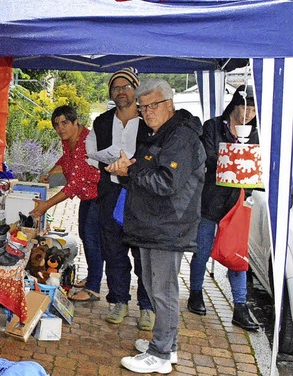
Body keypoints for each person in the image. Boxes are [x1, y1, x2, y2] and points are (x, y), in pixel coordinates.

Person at [107, 78, 205, 374]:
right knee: (152, 286)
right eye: (143, 106)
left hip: (169, 225)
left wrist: (131, 169)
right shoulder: (157, 134)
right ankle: (168, 345)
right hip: (152, 223)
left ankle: (161, 353)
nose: (148, 111)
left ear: (170, 104)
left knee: (162, 290)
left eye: (154, 105)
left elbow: (166, 183)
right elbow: (146, 176)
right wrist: (125, 172)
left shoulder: (181, 137)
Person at [85, 67, 154, 330]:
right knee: (113, 250)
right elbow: (92, 152)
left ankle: (147, 307)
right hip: (112, 193)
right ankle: (119, 301)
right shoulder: (102, 122)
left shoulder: (149, 121)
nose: (121, 92)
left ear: (136, 90)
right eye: (116, 88)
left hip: (140, 196)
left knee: (142, 254)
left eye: (126, 87)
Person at [187, 85, 260, 331]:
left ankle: (240, 306)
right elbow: (206, 157)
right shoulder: (213, 126)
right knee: (202, 248)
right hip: (210, 199)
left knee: (236, 254)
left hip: (237, 202)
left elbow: (257, 165)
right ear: (234, 105)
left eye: (252, 109)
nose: (247, 113)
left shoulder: (256, 132)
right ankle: (195, 292)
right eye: (243, 107)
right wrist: (233, 157)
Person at [30, 105, 102, 302]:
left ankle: (94, 288)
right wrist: (51, 172)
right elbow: (65, 159)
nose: (60, 128)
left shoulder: (85, 143)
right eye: (56, 125)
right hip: (88, 196)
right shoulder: (69, 140)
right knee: (87, 237)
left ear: (75, 122)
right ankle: (93, 277)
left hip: (99, 196)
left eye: (64, 123)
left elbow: (73, 185)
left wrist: (46, 205)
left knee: (92, 239)